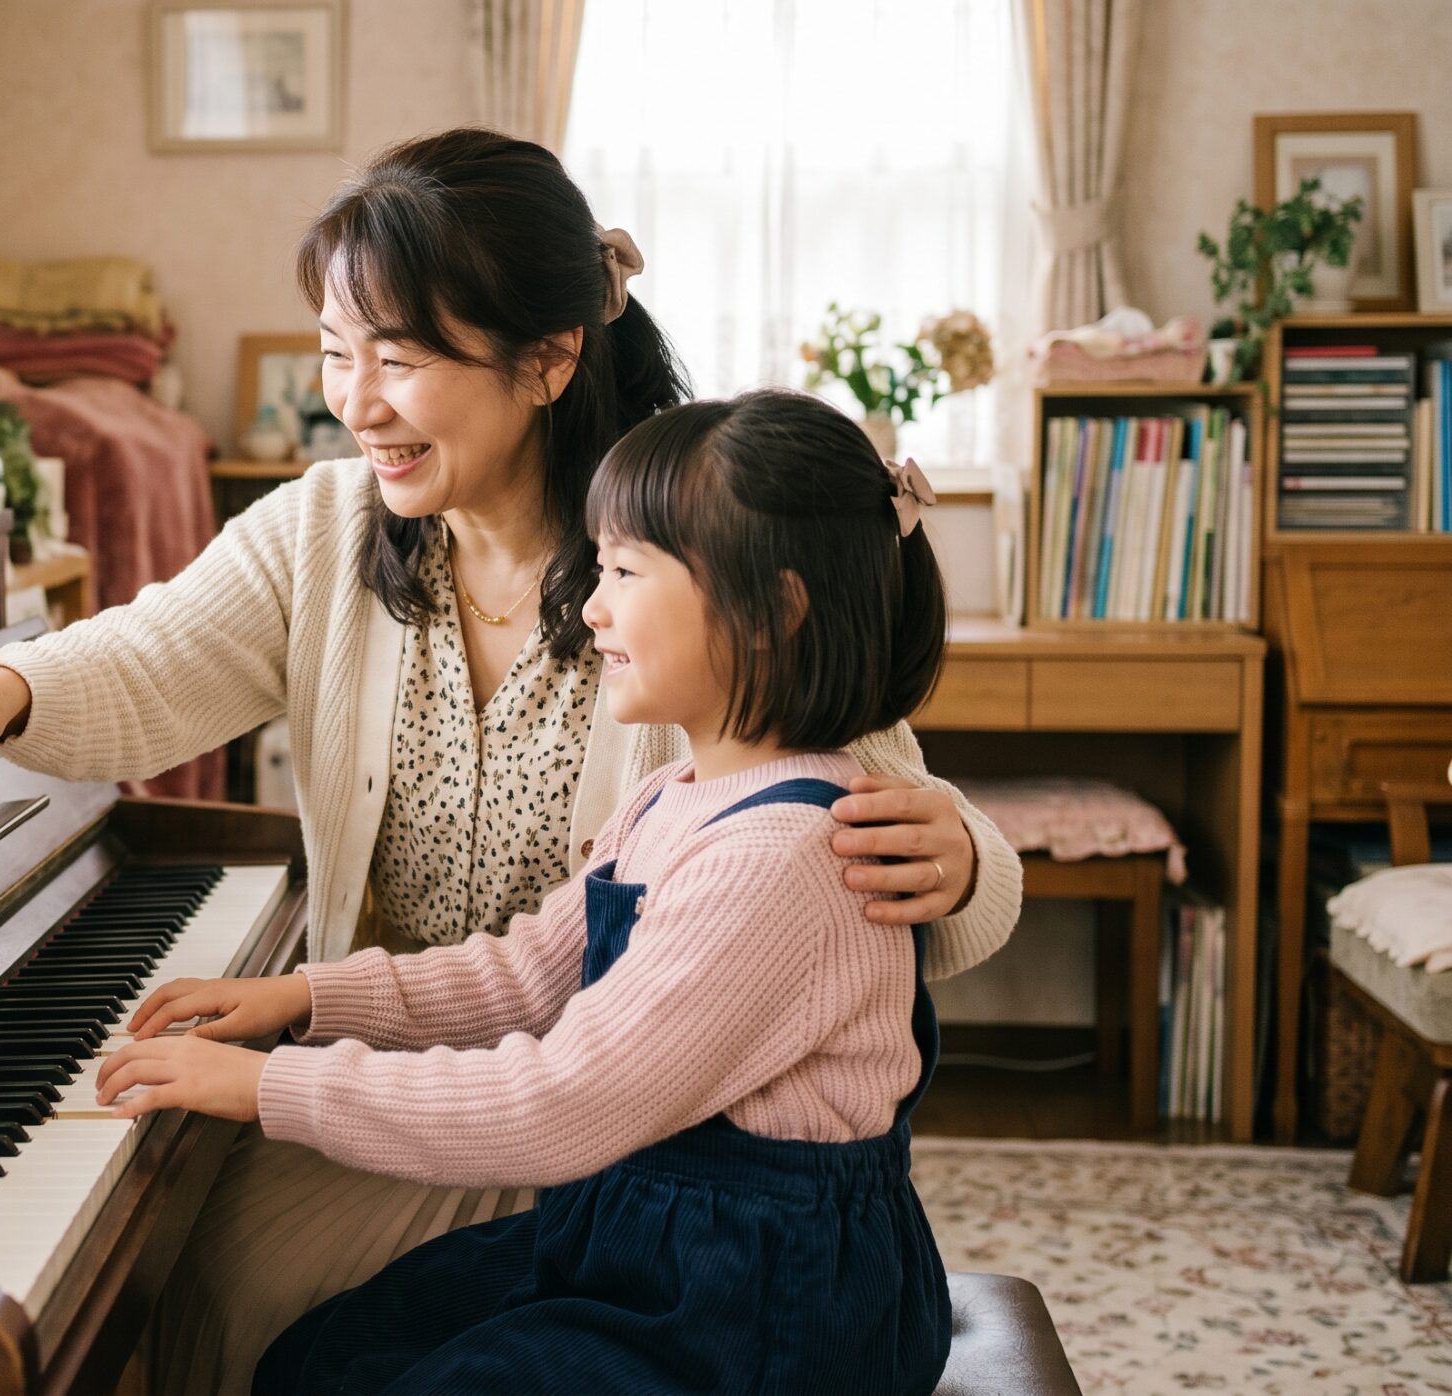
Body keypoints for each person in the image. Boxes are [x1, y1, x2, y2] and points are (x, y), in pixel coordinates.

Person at [0, 128, 1019, 1392]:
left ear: (546, 360)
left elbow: (864, 795)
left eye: (398, 356)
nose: (355, 400)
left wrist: (959, 856)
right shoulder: (332, 527)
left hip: (624, 1142)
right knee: (183, 1243)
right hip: (434, 1064)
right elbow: (149, 657)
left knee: (225, 1281)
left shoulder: (690, 553)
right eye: (338, 352)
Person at [99, 389, 959, 1394]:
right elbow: (526, 975)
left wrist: (266, 1086)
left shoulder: (780, 858)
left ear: (772, 612)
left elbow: (561, 1102)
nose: (591, 606)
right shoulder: (673, 798)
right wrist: (310, 997)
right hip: (643, 1238)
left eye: (627, 573)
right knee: (328, 1353)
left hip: (763, 1307)